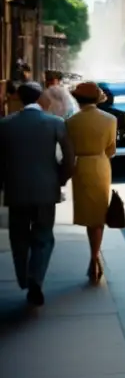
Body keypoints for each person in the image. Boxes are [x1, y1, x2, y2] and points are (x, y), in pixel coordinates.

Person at [0, 82, 76, 306]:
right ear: (40, 98)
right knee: (43, 237)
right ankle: (36, 279)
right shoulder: (55, 123)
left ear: (19, 99)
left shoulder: (5, 125)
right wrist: (59, 180)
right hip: (46, 190)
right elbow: (69, 159)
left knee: (19, 236)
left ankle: (23, 277)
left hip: (16, 191)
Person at [66, 82, 118, 283]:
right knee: (98, 215)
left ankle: (94, 258)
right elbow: (111, 149)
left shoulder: (71, 122)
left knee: (88, 215)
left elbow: (68, 149)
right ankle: (95, 257)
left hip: (81, 167)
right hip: (100, 165)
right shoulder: (110, 119)